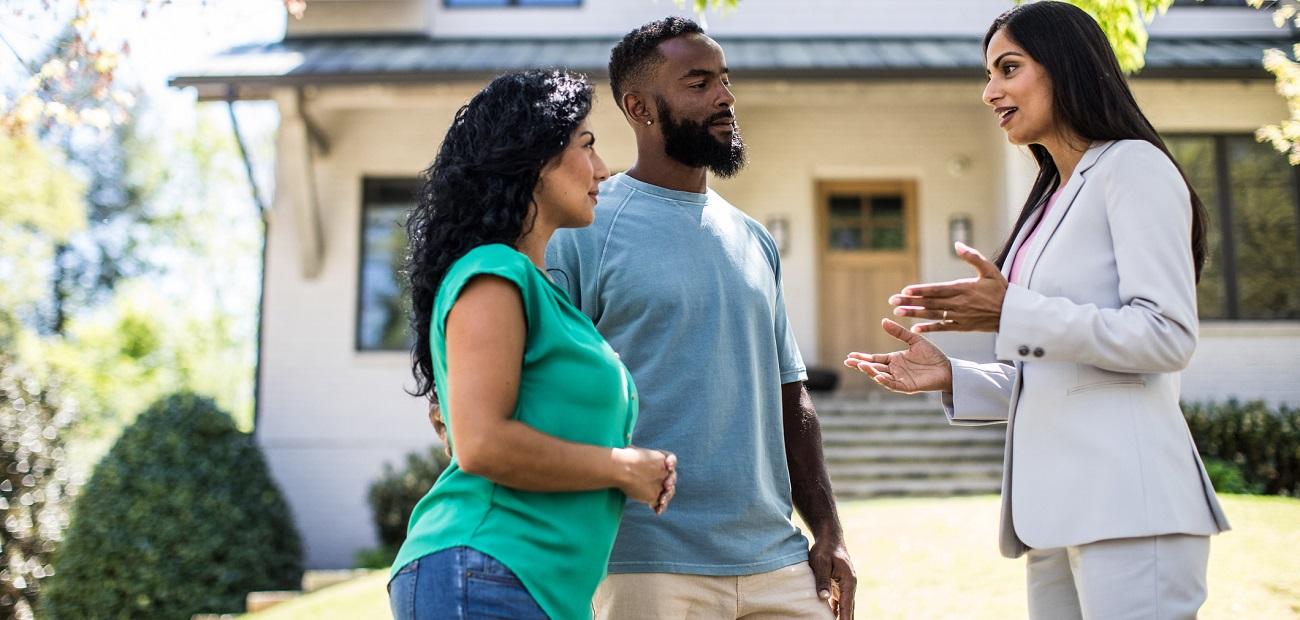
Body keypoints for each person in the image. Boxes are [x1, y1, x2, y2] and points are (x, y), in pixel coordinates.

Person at [844, 3, 1229, 618]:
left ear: (1066, 67)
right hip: (1053, 517)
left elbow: (1166, 337)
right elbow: (1067, 372)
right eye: (989, 73)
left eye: (1008, 68)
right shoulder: (1052, 198)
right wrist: (954, 375)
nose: (989, 91)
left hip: (1131, 506)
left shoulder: (1134, 166)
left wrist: (1012, 312)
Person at [547, 17, 855, 620]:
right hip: (644, 560)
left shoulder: (754, 238)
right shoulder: (583, 229)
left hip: (776, 558)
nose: (725, 97)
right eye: (699, 83)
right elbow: (552, 392)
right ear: (640, 107)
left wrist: (828, 530)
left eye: (725, 80)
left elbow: (792, 396)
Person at [388, 70, 677, 620]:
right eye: (586, 146)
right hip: (486, 569)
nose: (603, 169)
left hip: (523, 586)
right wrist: (624, 468)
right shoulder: (495, 273)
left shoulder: (547, 295)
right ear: (534, 157)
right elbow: (482, 446)